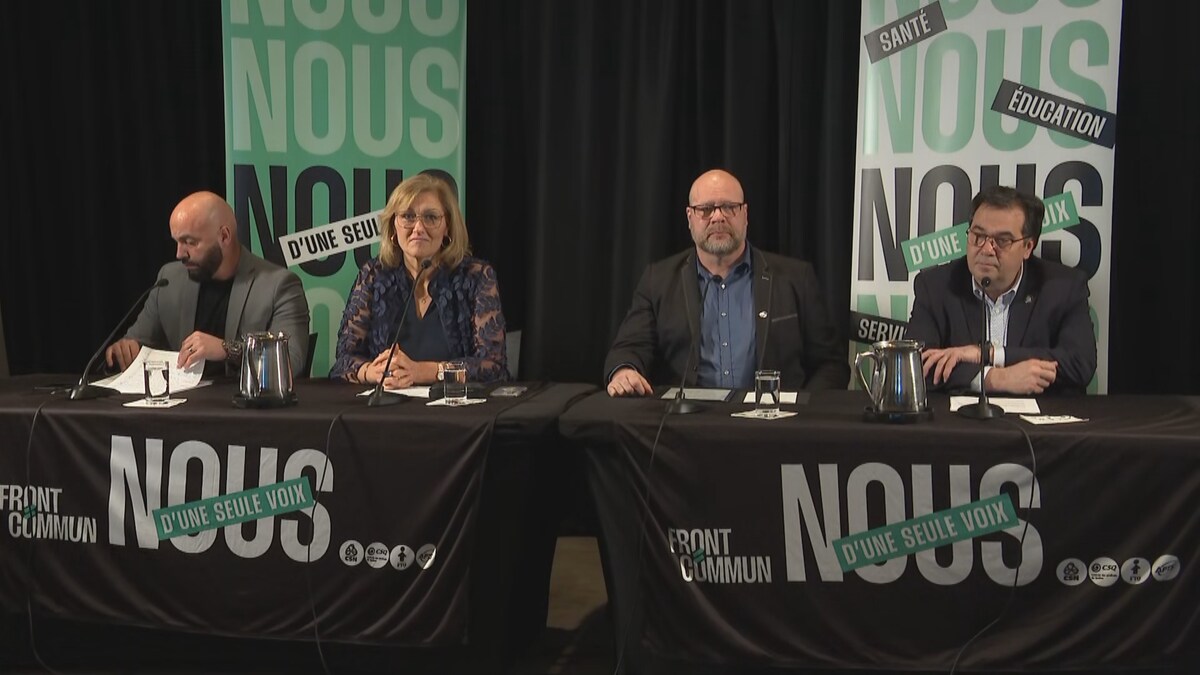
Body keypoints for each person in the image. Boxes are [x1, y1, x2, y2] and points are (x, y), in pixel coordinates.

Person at [604, 168, 848, 396]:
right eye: (706, 209)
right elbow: (629, 348)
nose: (718, 217)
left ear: (745, 214)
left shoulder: (796, 278)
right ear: (690, 217)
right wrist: (625, 371)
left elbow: (831, 365)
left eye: (729, 207)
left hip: (774, 429)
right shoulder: (658, 280)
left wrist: (803, 412)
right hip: (685, 427)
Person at [905, 185, 1097, 395]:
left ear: (1027, 247)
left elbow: (1080, 363)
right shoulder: (936, 286)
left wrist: (989, 355)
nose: (987, 249)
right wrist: (994, 379)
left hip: (1038, 425)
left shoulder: (1063, 287)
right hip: (963, 424)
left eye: (1002, 241)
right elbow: (915, 365)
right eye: (978, 236)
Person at [105, 191, 311, 376]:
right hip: (181, 410)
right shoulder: (169, 279)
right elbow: (137, 341)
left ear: (224, 236)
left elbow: (291, 361)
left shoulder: (279, 286)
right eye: (176, 241)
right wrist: (124, 350)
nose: (179, 253)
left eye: (190, 242)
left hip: (246, 411)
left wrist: (226, 349)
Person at [330, 173, 508, 387]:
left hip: (455, 413)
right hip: (387, 410)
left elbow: (492, 366)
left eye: (431, 217)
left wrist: (425, 372)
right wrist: (372, 372)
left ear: (448, 227)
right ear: (394, 227)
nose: (418, 228)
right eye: (407, 216)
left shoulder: (476, 276)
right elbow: (344, 360)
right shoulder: (373, 275)